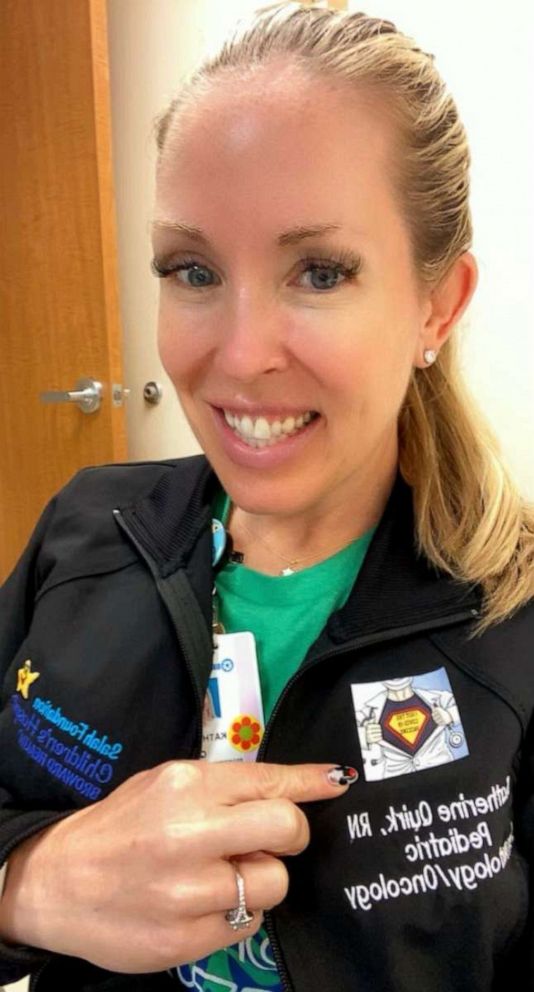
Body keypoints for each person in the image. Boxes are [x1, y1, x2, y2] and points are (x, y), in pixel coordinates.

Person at [0, 2, 533, 990]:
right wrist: (25, 880)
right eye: (193, 269)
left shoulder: (516, 621)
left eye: (319, 272)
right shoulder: (89, 529)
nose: (240, 357)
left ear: (437, 302)